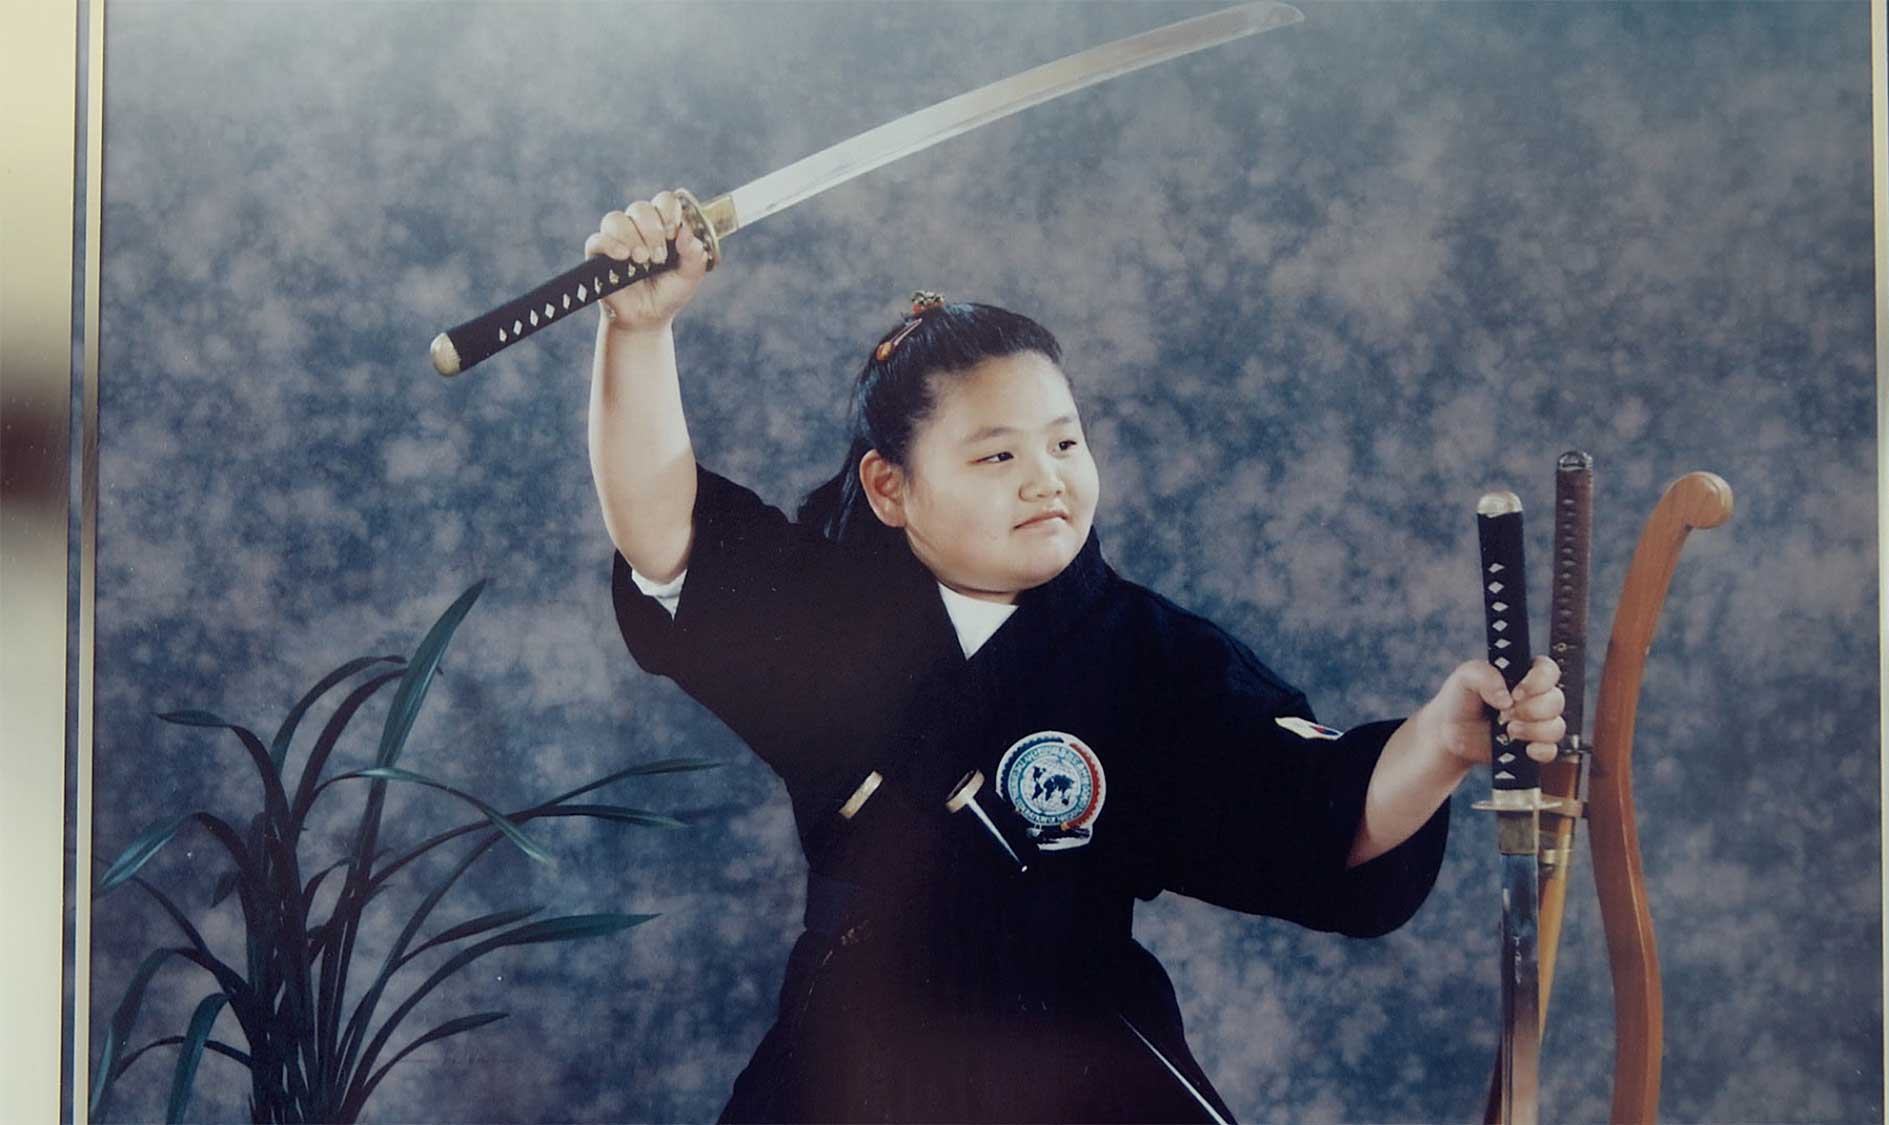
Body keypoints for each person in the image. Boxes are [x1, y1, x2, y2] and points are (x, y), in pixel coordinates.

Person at [584, 193, 1566, 1123]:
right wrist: (637, 330)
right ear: (889, 488)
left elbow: (1314, 811)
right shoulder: (828, 621)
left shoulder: (1151, 659)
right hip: (851, 1058)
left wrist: (1441, 738)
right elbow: (665, 535)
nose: (1045, 480)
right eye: (997, 456)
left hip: (1075, 1057)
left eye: (1064, 442)